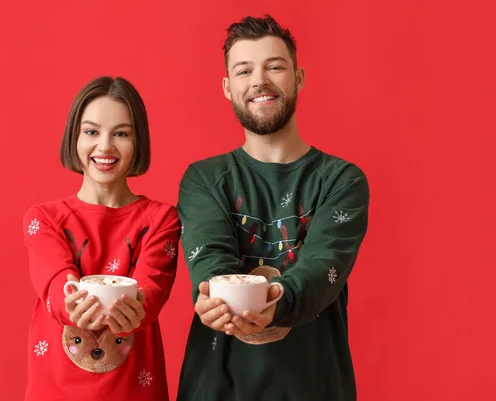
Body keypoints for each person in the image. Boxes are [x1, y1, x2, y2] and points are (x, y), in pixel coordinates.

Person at [176, 15, 370, 401]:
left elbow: (321, 268)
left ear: (298, 78)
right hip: (215, 385)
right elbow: (210, 260)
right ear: (228, 89)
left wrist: (270, 302)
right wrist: (215, 298)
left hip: (313, 385)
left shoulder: (341, 180)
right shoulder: (203, 179)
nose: (259, 81)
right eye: (244, 70)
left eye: (274, 66)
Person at [22, 76, 180, 401]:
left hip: (134, 390)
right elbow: (55, 284)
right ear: (74, 138)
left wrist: (139, 308)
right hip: (55, 390)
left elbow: (153, 286)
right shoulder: (44, 219)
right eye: (91, 132)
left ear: (138, 142)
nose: (105, 146)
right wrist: (72, 305)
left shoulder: (161, 219)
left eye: (120, 133)